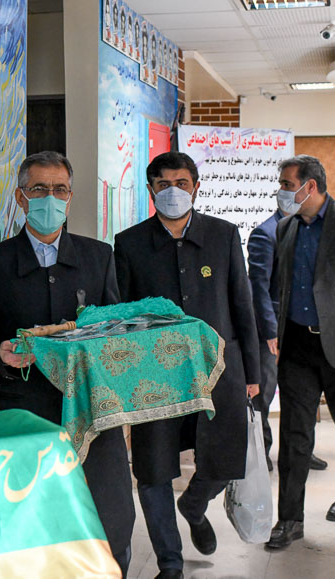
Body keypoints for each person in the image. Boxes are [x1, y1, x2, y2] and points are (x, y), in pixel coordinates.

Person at [0, 151, 136, 575]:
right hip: (27, 417)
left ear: (70, 197)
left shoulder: (99, 257)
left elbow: (116, 331)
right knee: (35, 530)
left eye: (59, 189)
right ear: (21, 198)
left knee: (110, 526)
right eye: (39, 189)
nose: (50, 198)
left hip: (95, 415)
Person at [114, 152, 260, 579]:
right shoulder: (129, 243)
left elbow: (242, 304)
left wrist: (253, 374)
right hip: (153, 377)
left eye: (181, 182)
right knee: (153, 469)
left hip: (218, 370)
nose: (173, 191)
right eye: (163, 184)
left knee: (224, 458)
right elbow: (122, 315)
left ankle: (194, 505)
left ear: (196, 187)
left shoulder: (223, 235)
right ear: (150, 190)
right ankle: (170, 563)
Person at [266, 155, 335, 550]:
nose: (281, 191)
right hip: (297, 346)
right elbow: (281, 287)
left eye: (286, 183)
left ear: (310, 186)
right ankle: (289, 519)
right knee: (294, 435)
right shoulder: (286, 228)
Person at [248, 207, 329, 473]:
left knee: (302, 394)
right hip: (271, 331)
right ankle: (262, 453)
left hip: (302, 327)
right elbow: (259, 288)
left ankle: (301, 451)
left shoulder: (311, 229)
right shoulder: (266, 233)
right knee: (264, 394)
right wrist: (271, 331)